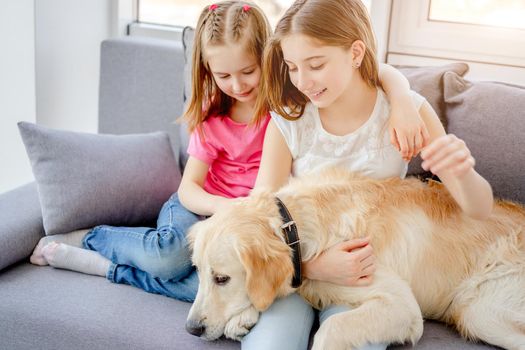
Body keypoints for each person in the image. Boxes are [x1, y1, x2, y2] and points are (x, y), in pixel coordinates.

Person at [31, 0, 433, 345]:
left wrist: (400, 96)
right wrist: (233, 208)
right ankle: (97, 241)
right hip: (215, 211)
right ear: (208, 74)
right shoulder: (214, 118)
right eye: (223, 76)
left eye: (247, 72)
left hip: (254, 228)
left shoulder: (289, 100)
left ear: (267, 60)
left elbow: (362, 67)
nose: (237, 85)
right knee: (174, 255)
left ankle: (113, 269)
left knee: (225, 282)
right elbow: (190, 189)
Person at [244, 0, 494, 349]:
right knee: (272, 344)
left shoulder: (405, 112)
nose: (303, 81)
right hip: (300, 272)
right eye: (292, 67)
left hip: (368, 277)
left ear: (355, 52)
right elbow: (257, 217)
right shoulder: (290, 121)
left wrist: (461, 172)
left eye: (315, 65)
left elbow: (480, 210)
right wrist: (312, 267)